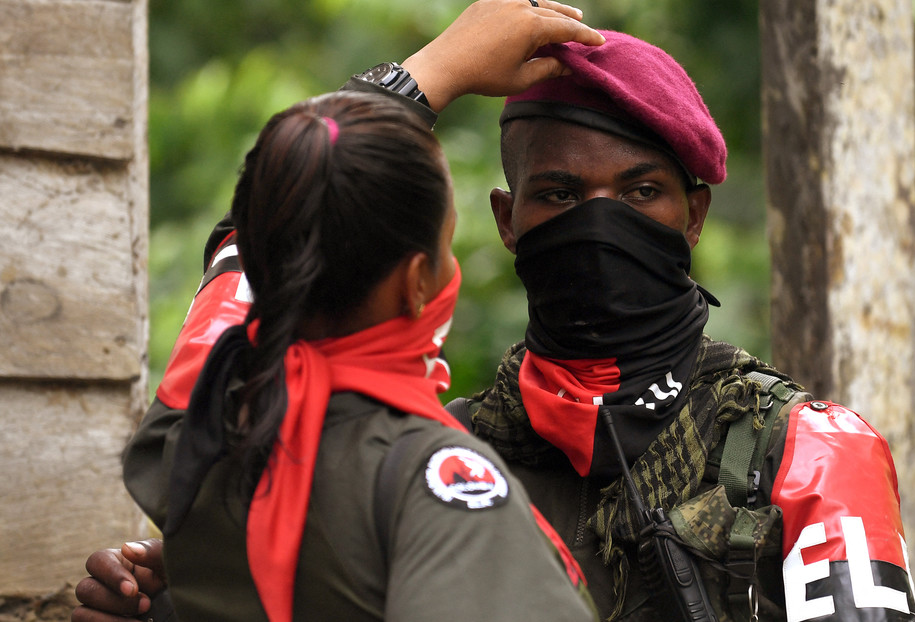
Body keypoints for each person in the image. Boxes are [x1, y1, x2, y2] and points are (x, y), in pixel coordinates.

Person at [74, 2, 915, 621]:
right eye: (559, 193)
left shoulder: (809, 451)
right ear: (506, 223)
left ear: (693, 215)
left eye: (640, 192)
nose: (600, 222)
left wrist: (424, 75)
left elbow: (271, 234)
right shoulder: (431, 458)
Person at [73, 4, 608, 621]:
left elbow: (251, 246)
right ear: (415, 284)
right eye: (445, 242)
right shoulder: (435, 483)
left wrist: (431, 70)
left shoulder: (194, 434)